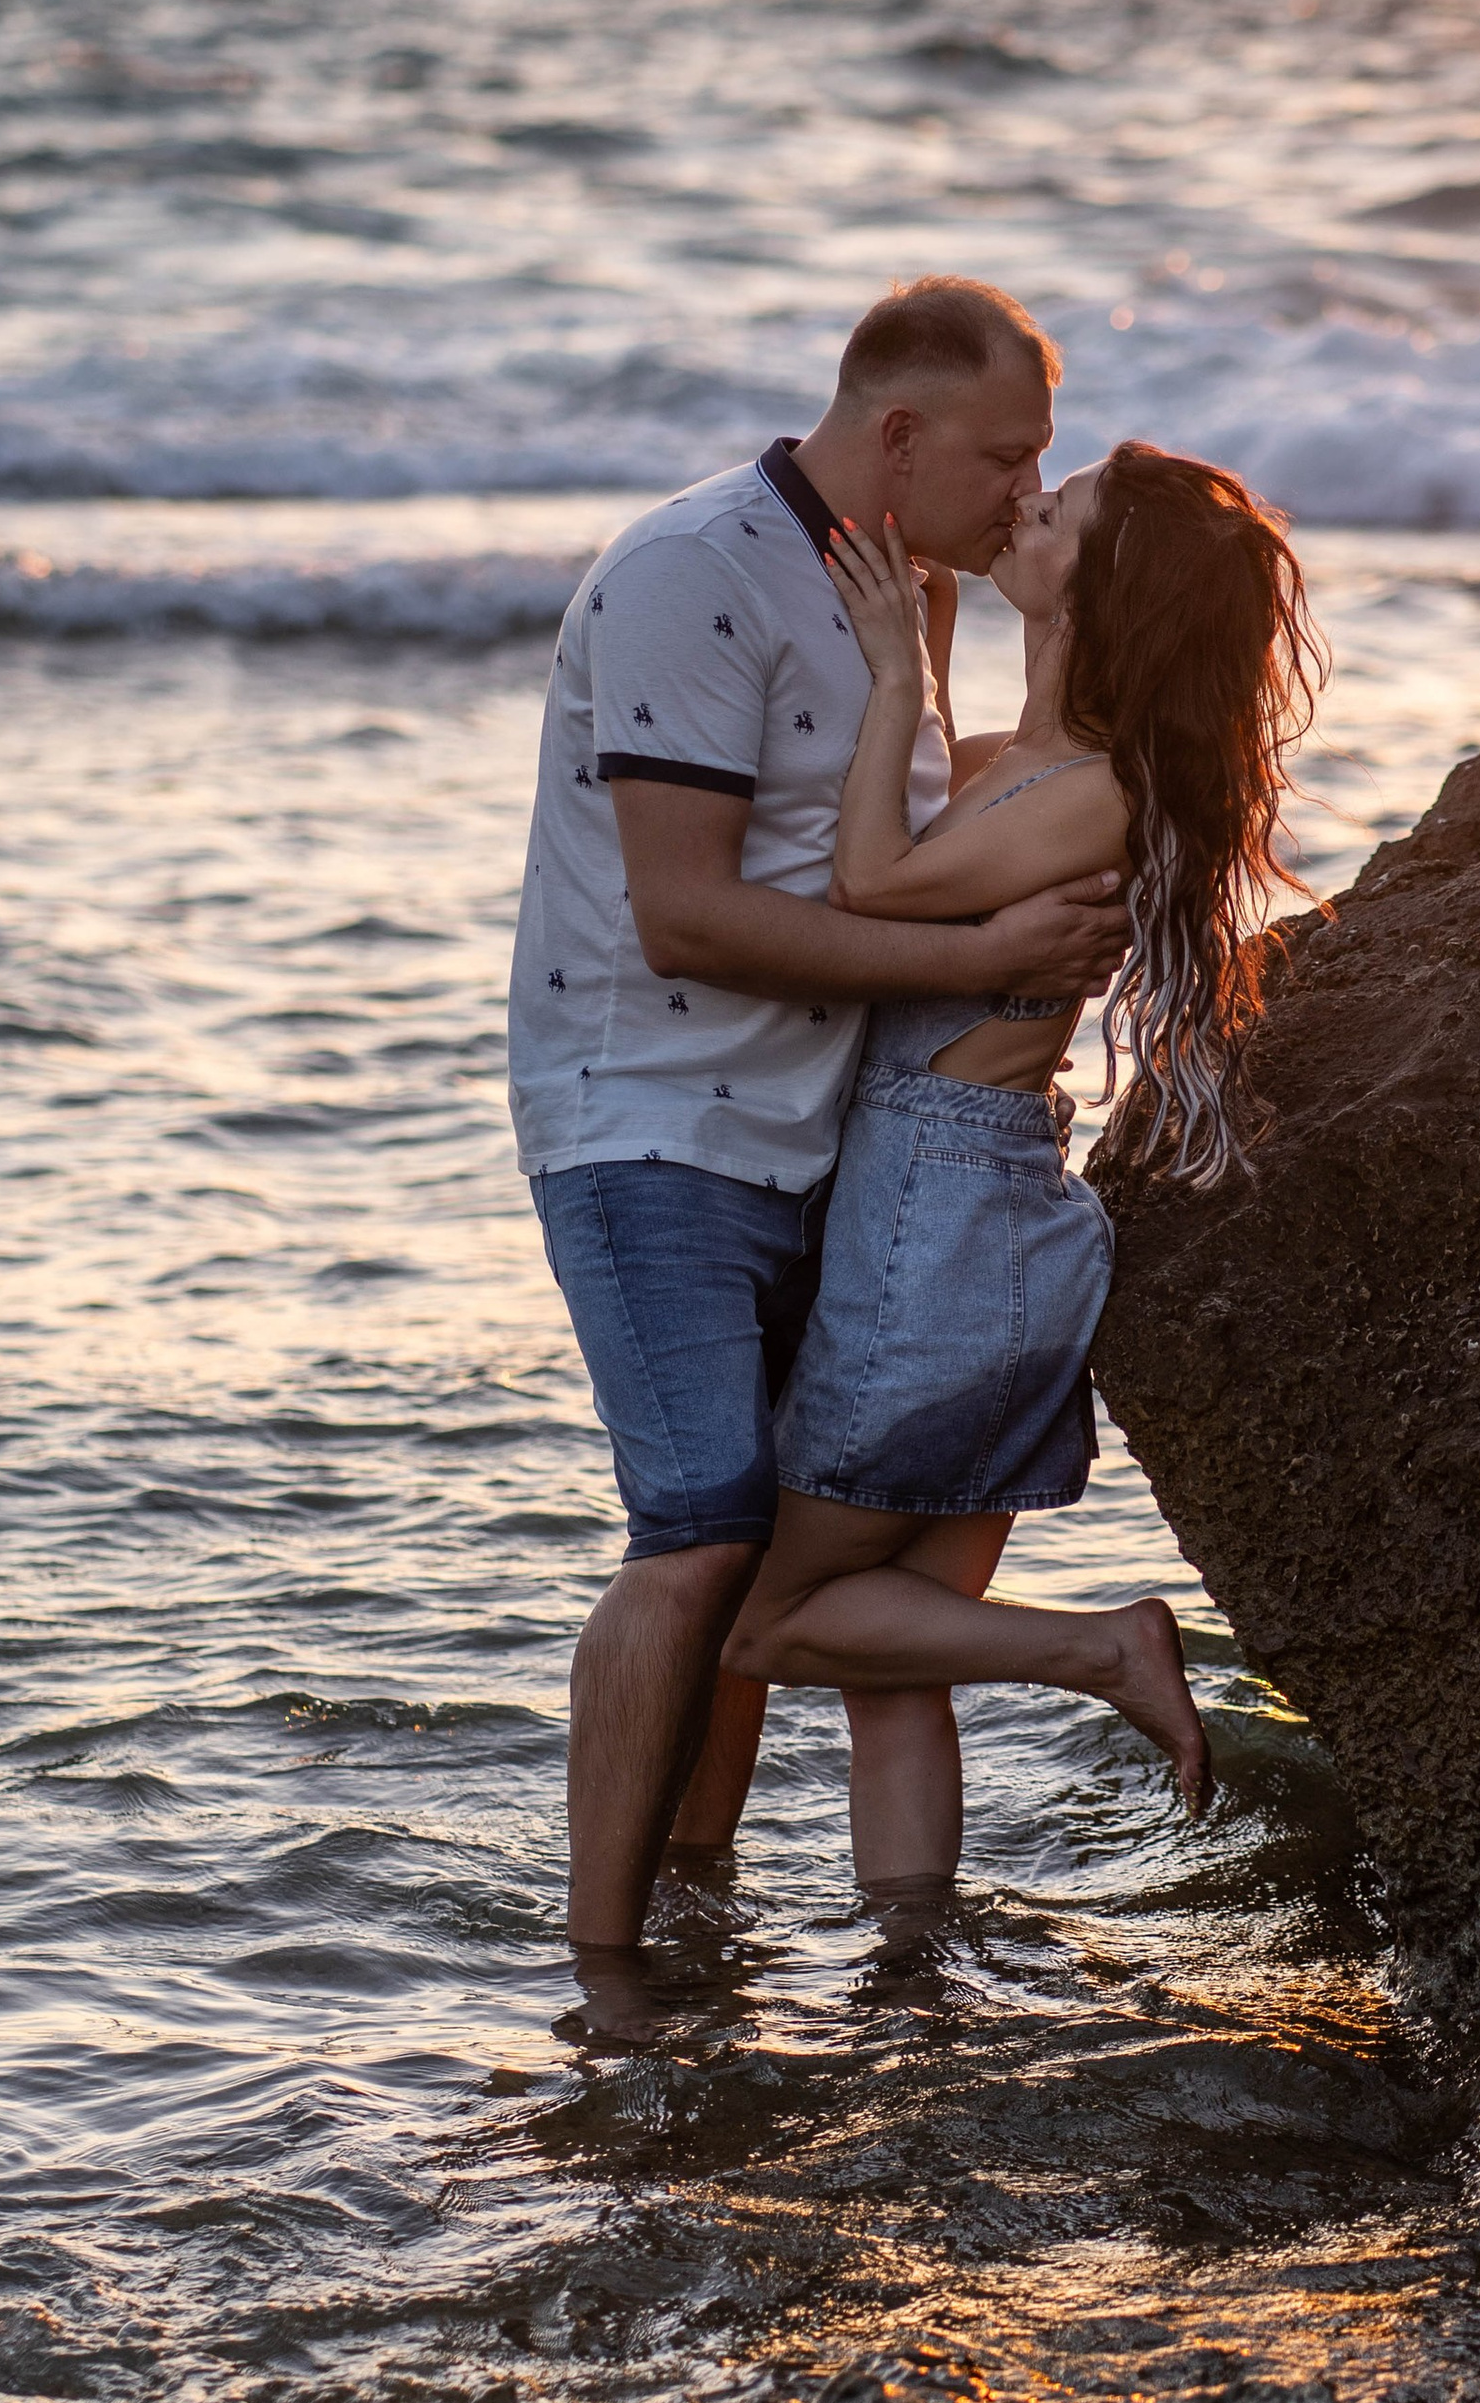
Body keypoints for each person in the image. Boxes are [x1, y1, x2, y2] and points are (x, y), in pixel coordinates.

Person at [509, 278, 1129, 1956]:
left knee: (758, 1545)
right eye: (1008, 457)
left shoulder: (898, 594)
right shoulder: (687, 578)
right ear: (901, 433)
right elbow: (686, 918)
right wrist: (990, 947)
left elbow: (941, 823)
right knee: (701, 1523)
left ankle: (692, 1903)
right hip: (651, 1118)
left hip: (823, 1131)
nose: (1024, 490)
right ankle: (606, 1965)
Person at [724, 435, 1321, 1889]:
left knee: (769, 1622)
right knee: (891, 1670)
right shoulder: (1020, 765)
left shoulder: (1093, 790)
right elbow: (914, 820)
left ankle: (1101, 1648)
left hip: (942, 1231)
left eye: (1060, 510)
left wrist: (885, 669)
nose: (1026, 505)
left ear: (1099, 585)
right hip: (966, 1221)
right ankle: (912, 1971)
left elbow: (871, 884)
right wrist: (918, 649)